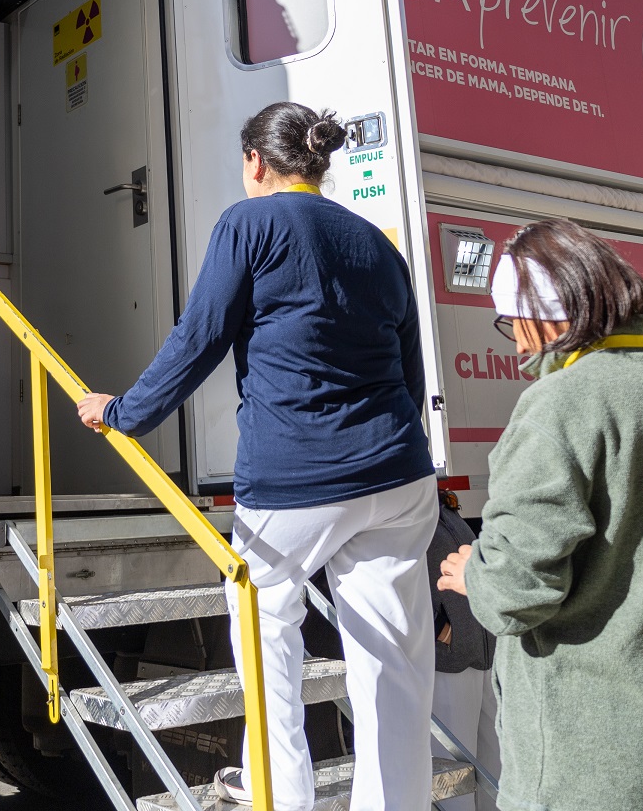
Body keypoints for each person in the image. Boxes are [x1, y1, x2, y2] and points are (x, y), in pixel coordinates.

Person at [74, 102, 436, 811]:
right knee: (392, 661)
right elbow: (410, 371)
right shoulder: (376, 243)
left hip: (295, 479)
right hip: (399, 474)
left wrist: (123, 413)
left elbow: (200, 336)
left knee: (268, 634)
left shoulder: (250, 223)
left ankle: (282, 795)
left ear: (255, 161)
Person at [438, 219, 643, 811]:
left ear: (547, 318)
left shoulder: (557, 406)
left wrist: (473, 574)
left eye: (512, 323)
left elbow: (516, 591)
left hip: (598, 772)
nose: (516, 348)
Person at [429, 490, 500, 811]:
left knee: (496, 772)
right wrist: (439, 628)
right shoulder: (403, 513)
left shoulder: (444, 507)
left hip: (484, 657)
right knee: (455, 780)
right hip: (449, 662)